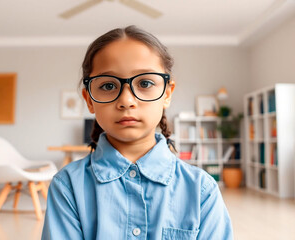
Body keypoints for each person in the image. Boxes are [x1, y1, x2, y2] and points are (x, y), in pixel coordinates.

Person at [42, 25, 233, 240]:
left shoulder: (201, 190)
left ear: (167, 93)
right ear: (89, 100)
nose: (126, 100)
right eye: (107, 86)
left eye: (145, 83)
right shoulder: (67, 186)